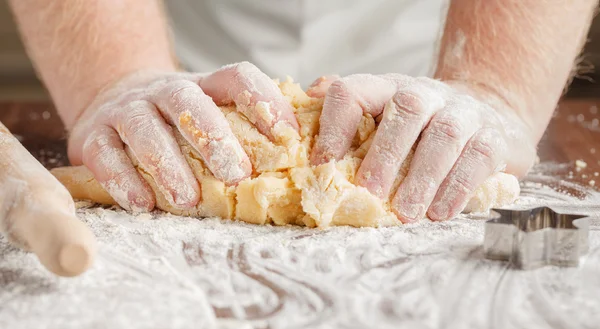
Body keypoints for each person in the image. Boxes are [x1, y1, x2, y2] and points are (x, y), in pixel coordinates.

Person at [7, 0, 597, 223]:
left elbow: (493, 87)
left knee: (440, 132)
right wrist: (116, 76)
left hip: (427, 54)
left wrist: (493, 87)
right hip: (175, 46)